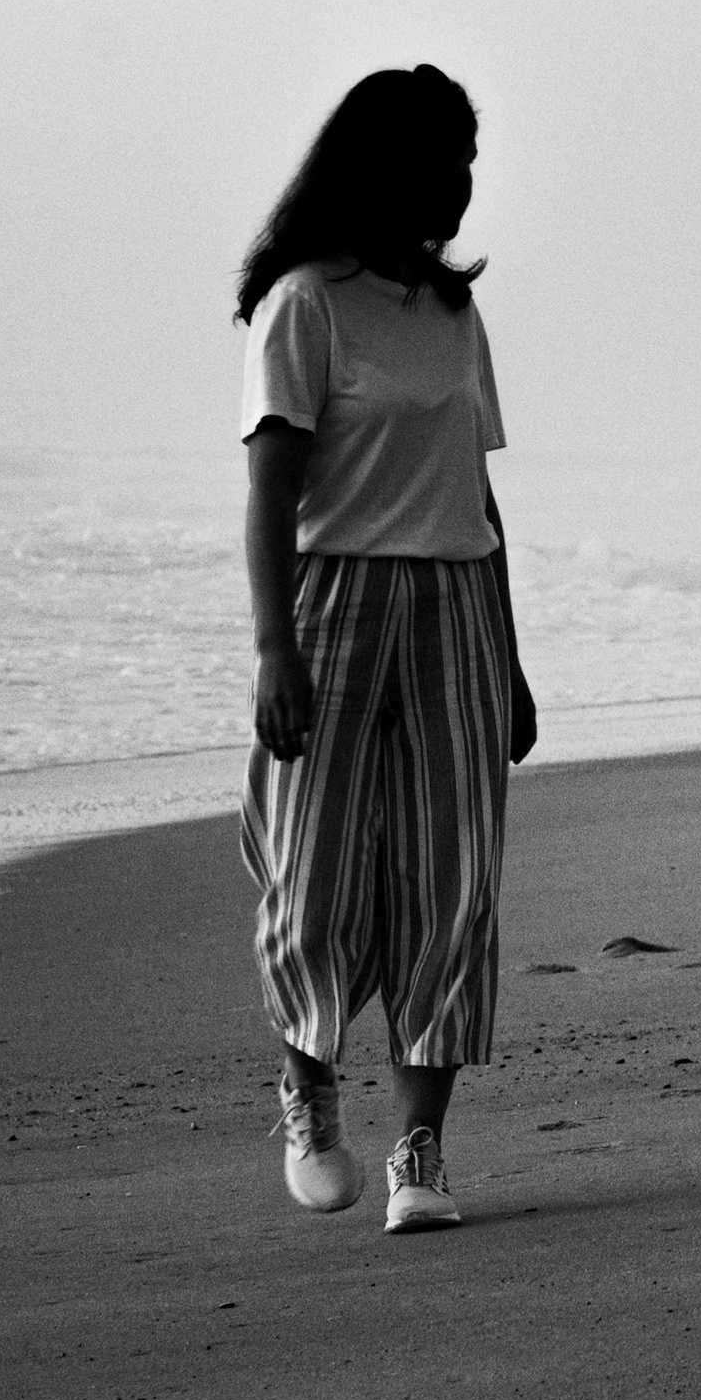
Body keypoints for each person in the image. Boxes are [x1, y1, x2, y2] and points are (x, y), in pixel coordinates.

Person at [234, 65, 538, 1232]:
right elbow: (269, 498)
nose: (465, 184)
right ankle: (308, 1092)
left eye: (470, 160)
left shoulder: (454, 315)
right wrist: (275, 651)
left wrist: (506, 657)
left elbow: (476, 493)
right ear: (386, 170)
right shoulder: (305, 304)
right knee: (310, 884)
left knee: (452, 885)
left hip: (456, 604)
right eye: (446, 162)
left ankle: (421, 1151)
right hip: (334, 602)